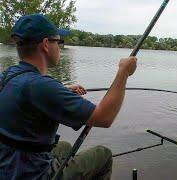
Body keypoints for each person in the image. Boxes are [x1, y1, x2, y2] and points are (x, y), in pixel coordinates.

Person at [0, 14, 137, 180]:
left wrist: (63, 90)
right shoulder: (42, 87)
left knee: (64, 147)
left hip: (9, 164)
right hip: (32, 174)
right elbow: (104, 117)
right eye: (58, 42)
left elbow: (27, 94)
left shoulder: (10, 75)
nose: (59, 46)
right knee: (103, 155)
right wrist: (123, 72)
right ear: (45, 45)